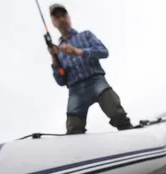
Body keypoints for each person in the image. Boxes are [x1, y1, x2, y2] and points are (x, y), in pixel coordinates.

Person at [48, 3, 133, 134]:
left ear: (68, 17)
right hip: (75, 90)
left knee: (118, 114)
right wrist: (54, 59)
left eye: (63, 15)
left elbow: (103, 52)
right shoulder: (57, 51)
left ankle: (130, 134)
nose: (61, 19)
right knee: (73, 129)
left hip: (96, 81)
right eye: (56, 17)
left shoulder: (86, 35)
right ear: (53, 23)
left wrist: (78, 51)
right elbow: (61, 80)